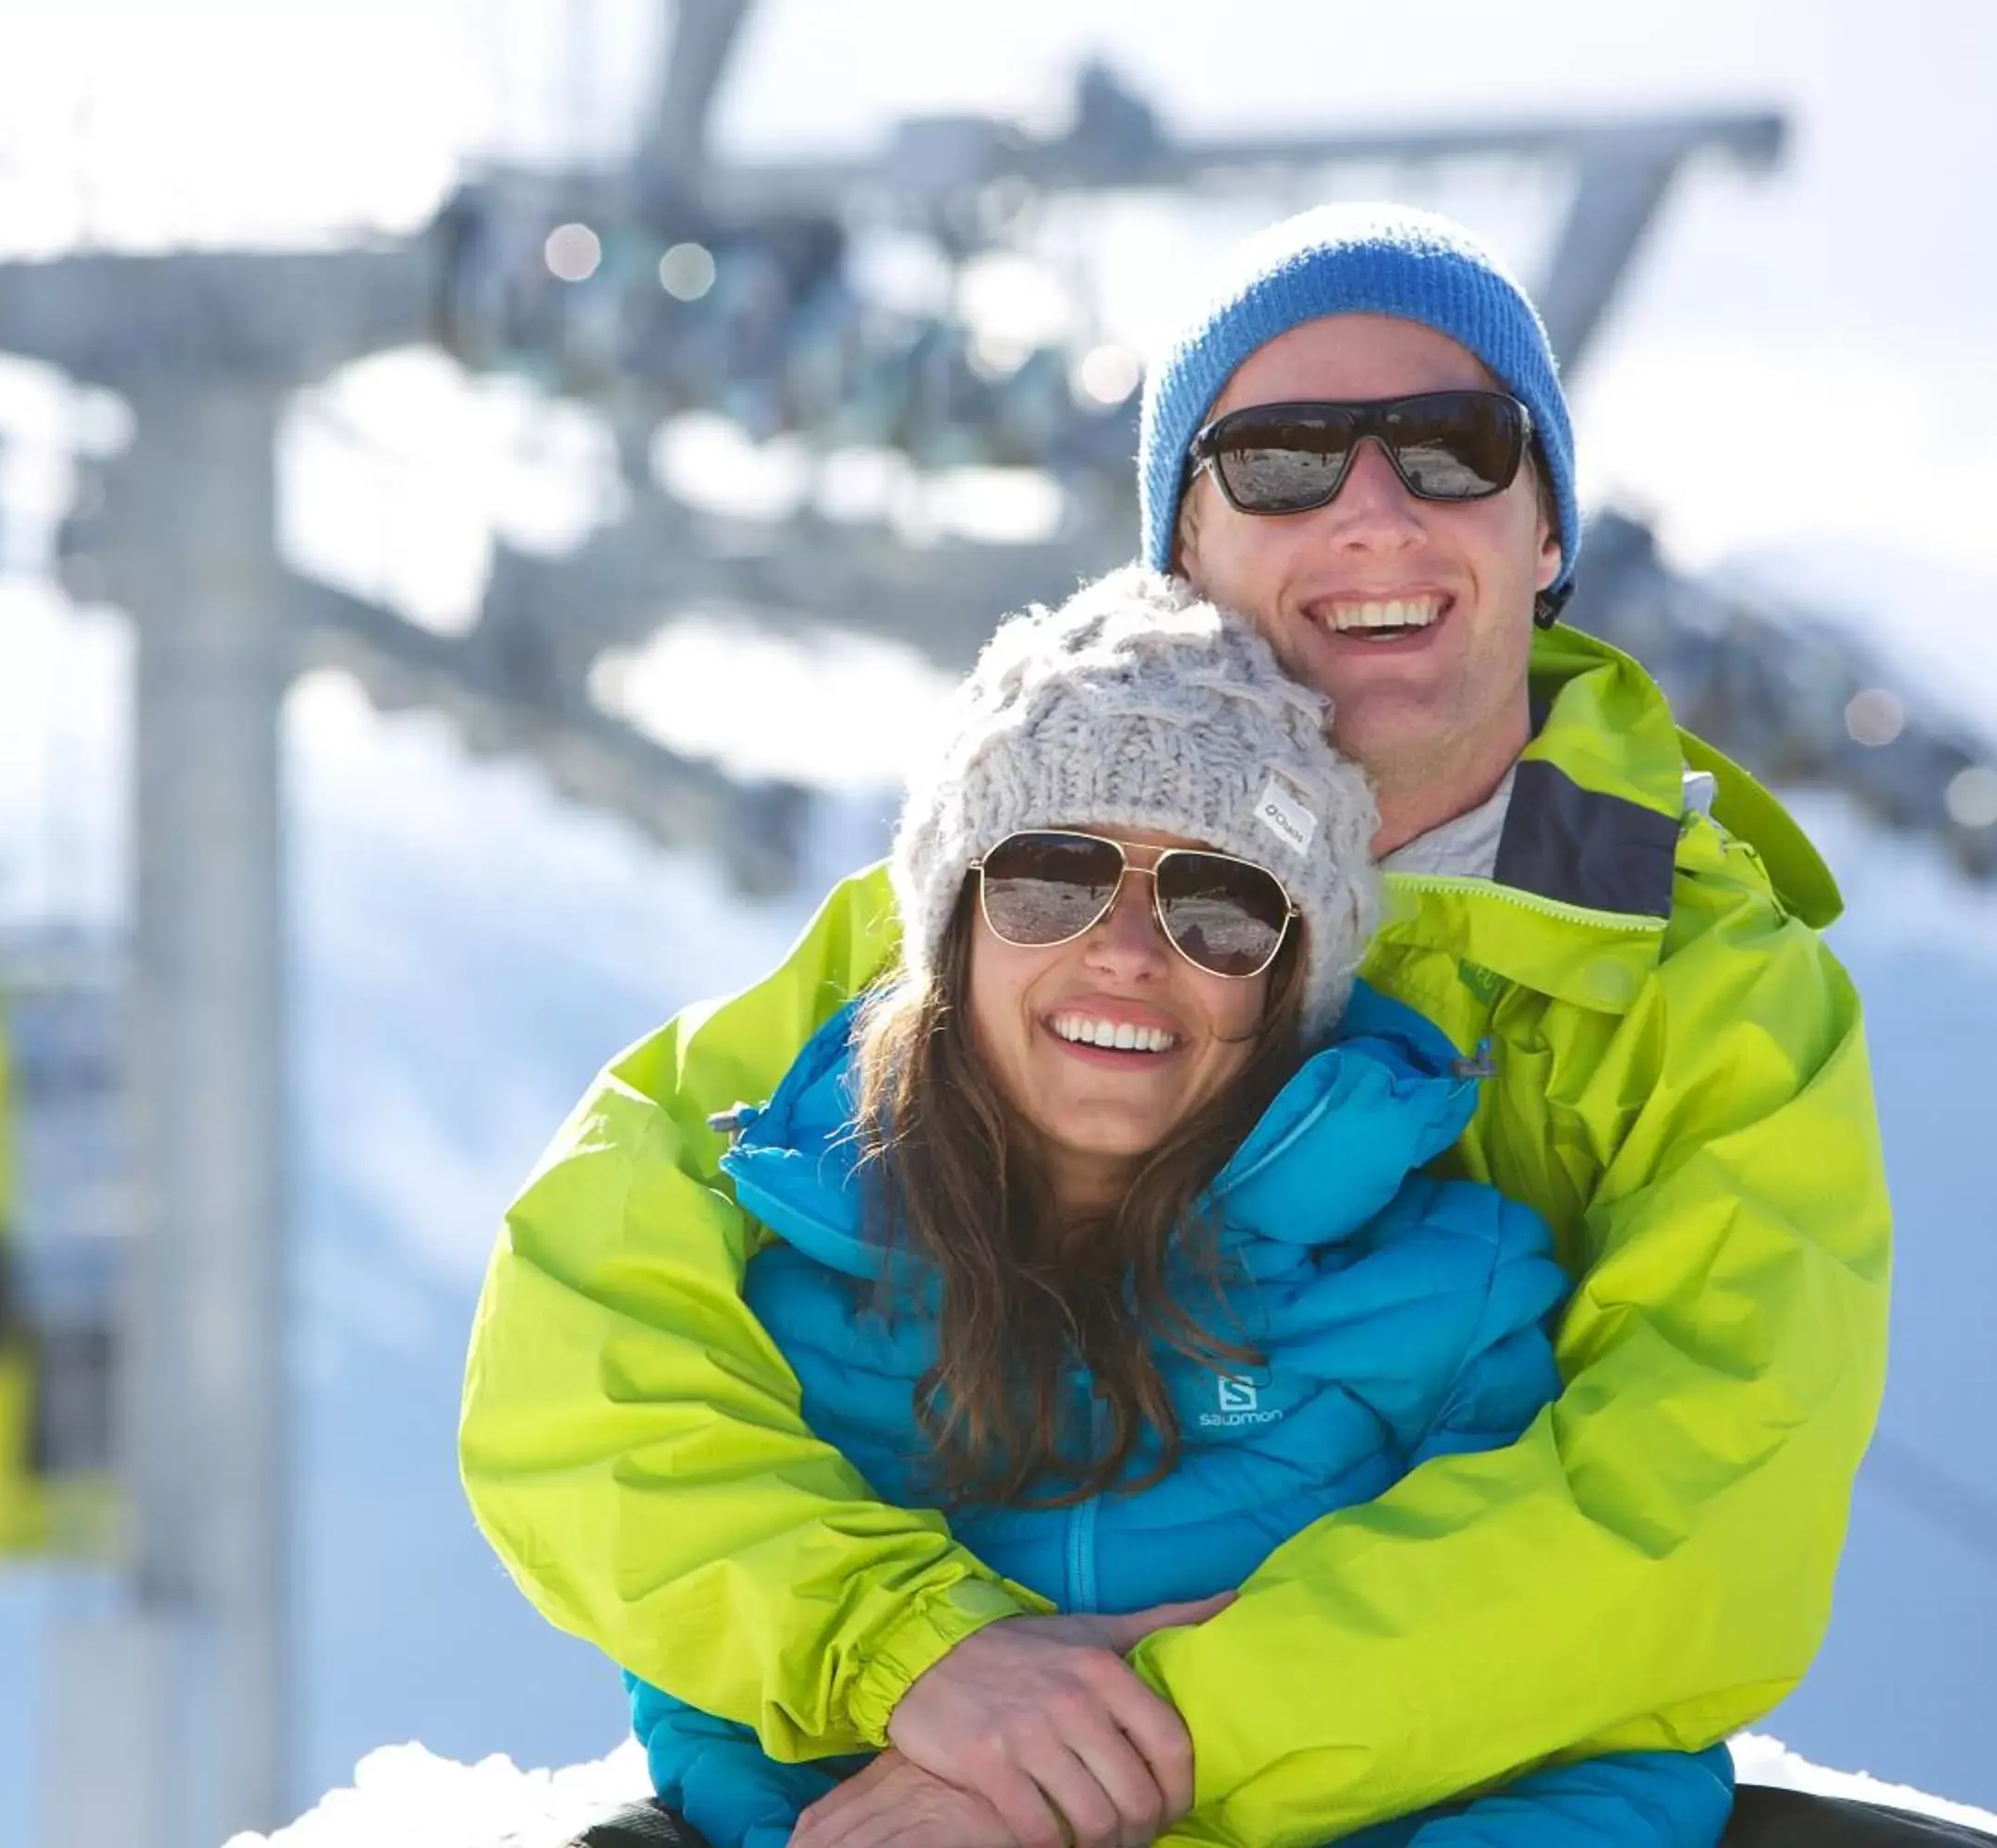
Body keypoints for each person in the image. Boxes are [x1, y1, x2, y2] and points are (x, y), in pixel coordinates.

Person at [459, 202, 1954, 1844]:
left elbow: (1689, 1521)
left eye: (1454, 448)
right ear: (1181, 547)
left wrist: (1102, 1759)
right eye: (1283, 461)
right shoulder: (1012, 880)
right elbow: (594, 1320)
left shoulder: (1694, 983)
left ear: (1547, 534)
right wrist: (910, 1649)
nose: (1375, 511)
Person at [624, 567, 1736, 1848]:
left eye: (1222, 907)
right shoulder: (791, 1296)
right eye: (1051, 877)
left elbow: (1601, 1723)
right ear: (954, 933)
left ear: (1294, 989)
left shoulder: (1448, 1310)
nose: (1130, 950)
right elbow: (713, 1695)